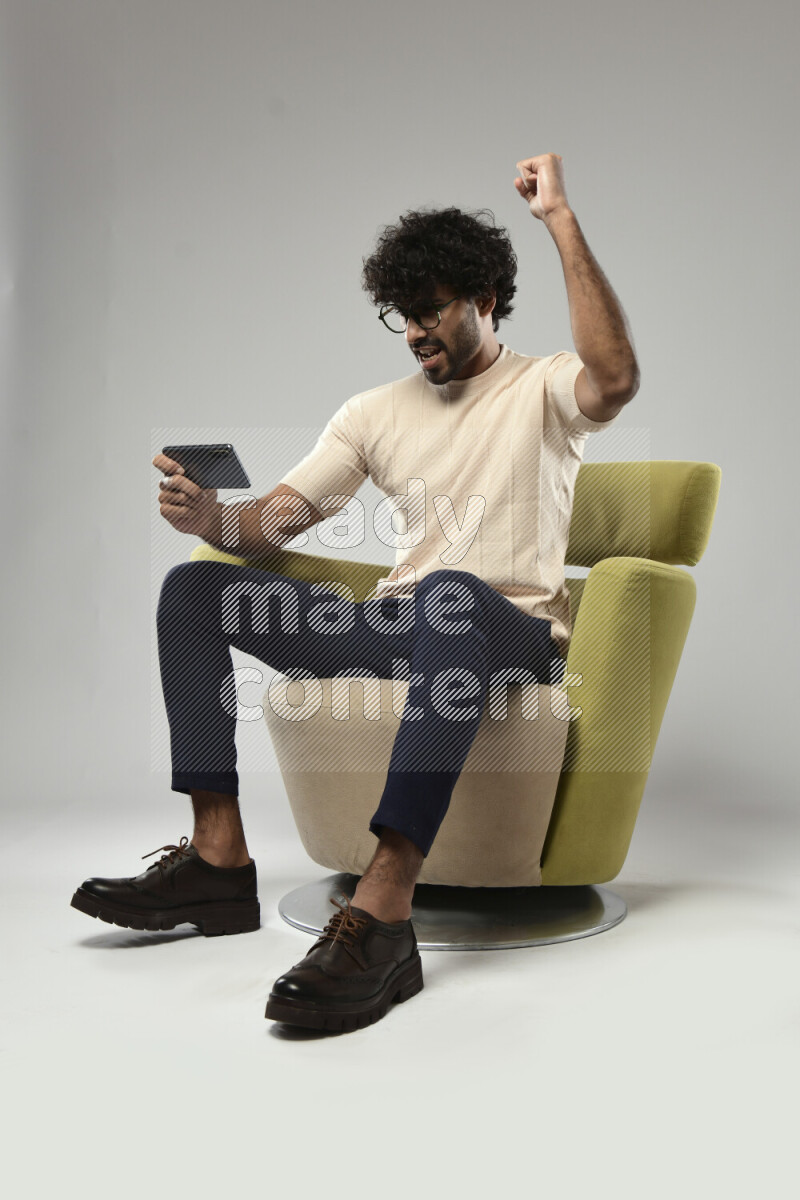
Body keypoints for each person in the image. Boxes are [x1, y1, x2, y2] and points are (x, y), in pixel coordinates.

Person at [70, 153, 640, 1033]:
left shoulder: (544, 387)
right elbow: (274, 524)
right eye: (401, 315)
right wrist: (211, 518)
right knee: (193, 592)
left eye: (432, 310)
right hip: (400, 624)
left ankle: (381, 912)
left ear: (486, 299)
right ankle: (217, 860)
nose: (414, 332)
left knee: (450, 593)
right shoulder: (372, 412)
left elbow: (617, 379)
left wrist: (560, 221)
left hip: (510, 632)